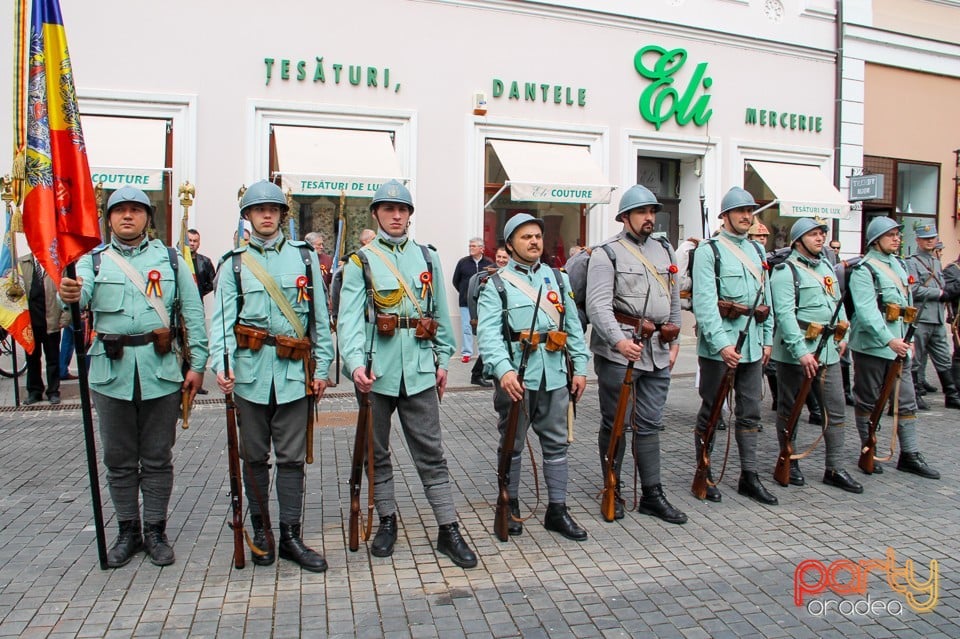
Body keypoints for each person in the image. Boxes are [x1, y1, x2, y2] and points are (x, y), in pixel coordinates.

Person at [58, 186, 208, 568]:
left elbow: (192, 314)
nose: (128, 216)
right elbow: (77, 298)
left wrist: (197, 365)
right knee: (119, 459)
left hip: (162, 371)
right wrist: (69, 291)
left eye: (135, 210)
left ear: (147, 218)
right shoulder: (92, 263)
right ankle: (128, 530)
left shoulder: (172, 261)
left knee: (158, 457)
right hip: (111, 373)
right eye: (119, 210)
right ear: (108, 219)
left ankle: (155, 530)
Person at [338, 179, 477, 568]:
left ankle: (448, 528)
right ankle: (386, 520)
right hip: (376, 370)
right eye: (388, 210)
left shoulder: (428, 257)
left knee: (431, 452)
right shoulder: (360, 261)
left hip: (418, 368)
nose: (397, 216)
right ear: (377, 214)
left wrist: (442, 360)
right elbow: (348, 321)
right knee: (376, 453)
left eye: (403, 210)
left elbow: (436, 316)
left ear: (410, 215)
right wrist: (354, 365)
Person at [209, 180, 334, 572]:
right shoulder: (233, 262)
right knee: (253, 457)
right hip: (250, 374)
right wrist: (222, 363)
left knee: (293, 459)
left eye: (273, 209)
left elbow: (320, 320)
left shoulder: (304, 258)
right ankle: (261, 529)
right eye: (258, 209)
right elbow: (222, 321)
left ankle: (291, 535)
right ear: (247, 216)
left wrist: (324, 368)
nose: (266, 215)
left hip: (295, 372)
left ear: (283, 215)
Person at [477, 213, 589, 540]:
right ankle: (508, 505)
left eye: (537, 236)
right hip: (516, 380)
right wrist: (504, 371)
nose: (534, 242)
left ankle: (558, 510)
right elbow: (489, 335)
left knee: (556, 445)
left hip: (554, 375)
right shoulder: (496, 284)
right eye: (525, 237)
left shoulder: (558, 278)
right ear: (510, 245)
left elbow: (573, 329)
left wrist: (580, 367)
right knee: (511, 445)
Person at [585, 186, 686, 524]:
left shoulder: (664, 250)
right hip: (622, 353)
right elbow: (597, 306)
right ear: (625, 217)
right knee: (615, 424)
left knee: (651, 425)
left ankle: (652, 495)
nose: (649, 218)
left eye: (652, 212)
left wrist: (675, 341)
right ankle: (611, 486)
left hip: (656, 351)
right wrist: (617, 342)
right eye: (642, 212)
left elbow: (672, 299)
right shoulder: (607, 253)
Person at [691, 186, 777, 505]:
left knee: (750, 412)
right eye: (740, 211)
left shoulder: (757, 252)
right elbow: (704, 303)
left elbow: (764, 301)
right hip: (721, 348)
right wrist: (722, 344)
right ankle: (705, 472)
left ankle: (749, 475)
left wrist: (767, 338)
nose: (746, 216)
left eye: (750, 211)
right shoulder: (708, 251)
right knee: (712, 412)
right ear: (725, 216)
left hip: (752, 346)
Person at [769, 218, 862, 493]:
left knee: (836, 410)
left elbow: (838, 304)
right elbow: (785, 316)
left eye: (822, 233)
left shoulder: (825, 267)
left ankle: (834, 467)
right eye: (813, 234)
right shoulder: (785, 271)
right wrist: (801, 353)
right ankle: (789, 459)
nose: (820, 238)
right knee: (790, 410)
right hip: (796, 354)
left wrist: (842, 334)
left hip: (829, 352)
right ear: (798, 240)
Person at [849, 216, 939, 479]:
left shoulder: (899, 265)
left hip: (900, 344)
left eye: (898, 235)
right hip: (873, 346)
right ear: (876, 240)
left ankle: (909, 454)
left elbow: (906, 302)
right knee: (868, 400)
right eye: (891, 235)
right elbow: (866, 312)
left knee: (906, 401)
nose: (897, 239)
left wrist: (905, 339)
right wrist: (889, 340)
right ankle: (869, 448)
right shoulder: (864, 270)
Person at [906, 221, 960, 410]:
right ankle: (914, 394)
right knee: (916, 358)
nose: (930, 241)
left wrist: (948, 291)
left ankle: (952, 395)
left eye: (932, 238)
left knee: (943, 357)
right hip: (921, 317)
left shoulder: (936, 261)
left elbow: (941, 285)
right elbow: (913, 290)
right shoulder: (911, 262)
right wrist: (939, 294)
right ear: (918, 240)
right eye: (925, 238)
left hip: (936, 317)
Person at [21, 254, 70, 404]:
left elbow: (66, 291)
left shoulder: (58, 263)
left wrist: (66, 316)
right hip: (30, 321)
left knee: (53, 358)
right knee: (32, 359)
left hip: (51, 318)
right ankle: (34, 391)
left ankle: (53, 391)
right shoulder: (22, 264)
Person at [452, 237, 493, 364]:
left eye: (474, 246)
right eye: (470, 246)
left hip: (484, 302)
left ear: (482, 249)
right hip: (465, 302)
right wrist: (466, 293)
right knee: (466, 327)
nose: (471, 248)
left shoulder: (489, 264)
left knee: (483, 328)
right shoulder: (463, 262)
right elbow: (455, 281)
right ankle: (466, 353)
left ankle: (483, 354)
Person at [186, 229, 216, 299]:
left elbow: (213, 282)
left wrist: (200, 291)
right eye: (189, 240)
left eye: (195, 241)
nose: (192, 243)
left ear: (199, 244)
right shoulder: (179, 260)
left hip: (198, 301)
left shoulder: (205, 261)